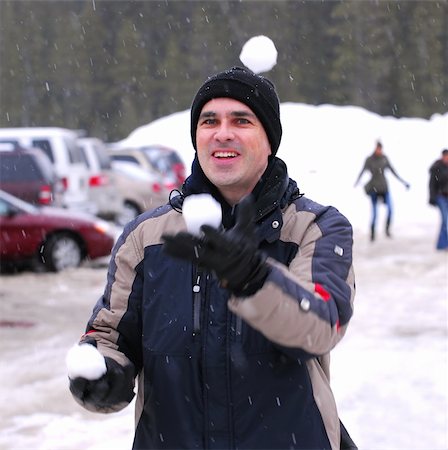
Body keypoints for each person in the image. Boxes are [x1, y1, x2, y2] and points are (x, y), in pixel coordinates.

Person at [68, 67, 357, 450]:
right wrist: (103, 376)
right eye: (209, 121)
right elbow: (111, 337)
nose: (223, 133)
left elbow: (321, 326)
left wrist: (253, 279)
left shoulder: (315, 227)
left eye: (242, 120)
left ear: (269, 140)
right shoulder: (145, 237)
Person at [354, 141, 410, 241]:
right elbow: (362, 171)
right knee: (375, 212)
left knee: (390, 209)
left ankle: (387, 230)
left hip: (384, 188)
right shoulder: (370, 159)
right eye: (378, 148)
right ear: (375, 148)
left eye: (380, 149)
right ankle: (372, 233)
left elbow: (393, 171)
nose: (379, 150)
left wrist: (403, 182)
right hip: (374, 188)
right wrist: (357, 182)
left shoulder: (384, 158)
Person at [429, 149, 448, 250]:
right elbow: (432, 184)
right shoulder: (437, 167)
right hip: (440, 196)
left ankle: (441, 244)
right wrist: (432, 197)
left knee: (445, 221)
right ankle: (444, 244)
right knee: (445, 220)